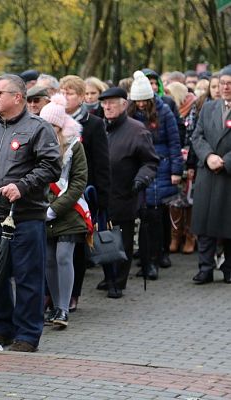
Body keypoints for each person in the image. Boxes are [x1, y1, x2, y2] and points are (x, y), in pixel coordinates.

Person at [0, 74, 61, 352]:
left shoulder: (38, 128)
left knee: (28, 277)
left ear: (17, 97)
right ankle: (2, 329)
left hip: (25, 217)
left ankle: (28, 334)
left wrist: (22, 186)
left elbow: (51, 166)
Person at [97, 87, 158, 298]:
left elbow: (150, 161)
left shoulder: (137, 130)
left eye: (112, 102)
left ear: (124, 104)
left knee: (122, 240)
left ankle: (118, 281)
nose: (107, 106)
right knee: (103, 236)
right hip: (101, 193)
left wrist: (141, 178)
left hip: (125, 192)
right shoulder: (99, 127)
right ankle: (108, 276)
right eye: (104, 103)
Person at [59, 75, 110, 312]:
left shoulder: (93, 123)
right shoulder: (51, 119)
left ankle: (73, 294)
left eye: (70, 93)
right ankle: (53, 294)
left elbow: (101, 163)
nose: (65, 96)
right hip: (55, 191)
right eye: (62, 91)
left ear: (81, 97)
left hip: (81, 194)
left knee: (76, 247)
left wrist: (102, 199)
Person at [128, 71, 182, 280]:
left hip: (160, 166)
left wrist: (176, 170)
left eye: (144, 101)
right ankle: (145, 257)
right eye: (138, 101)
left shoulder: (164, 111)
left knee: (155, 215)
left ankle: (155, 258)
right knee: (142, 216)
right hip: (137, 167)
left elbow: (174, 142)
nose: (141, 105)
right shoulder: (131, 114)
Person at [39, 94, 87, 328]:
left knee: (63, 257)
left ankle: (64, 309)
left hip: (69, 211)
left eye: (52, 126)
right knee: (48, 259)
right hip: (42, 210)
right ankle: (55, 306)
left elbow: (79, 181)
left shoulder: (74, 146)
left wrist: (55, 208)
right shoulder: (37, 144)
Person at [190, 67, 231, 285]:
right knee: (204, 224)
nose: (225, 87)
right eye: (223, 82)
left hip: (228, 174)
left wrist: (225, 161)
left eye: (230, 83)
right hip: (208, 173)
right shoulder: (208, 108)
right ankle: (205, 268)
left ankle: (229, 269)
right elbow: (197, 136)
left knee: (228, 224)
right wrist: (208, 157)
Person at [166, 82, 199, 254]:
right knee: (175, 200)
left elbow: (193, 134)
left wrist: (190, 159)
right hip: (175, 157)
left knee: (189, 199)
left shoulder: (193, 108)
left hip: (189, 157)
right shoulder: (170, 109)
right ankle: (175, 235)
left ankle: (189, 236)